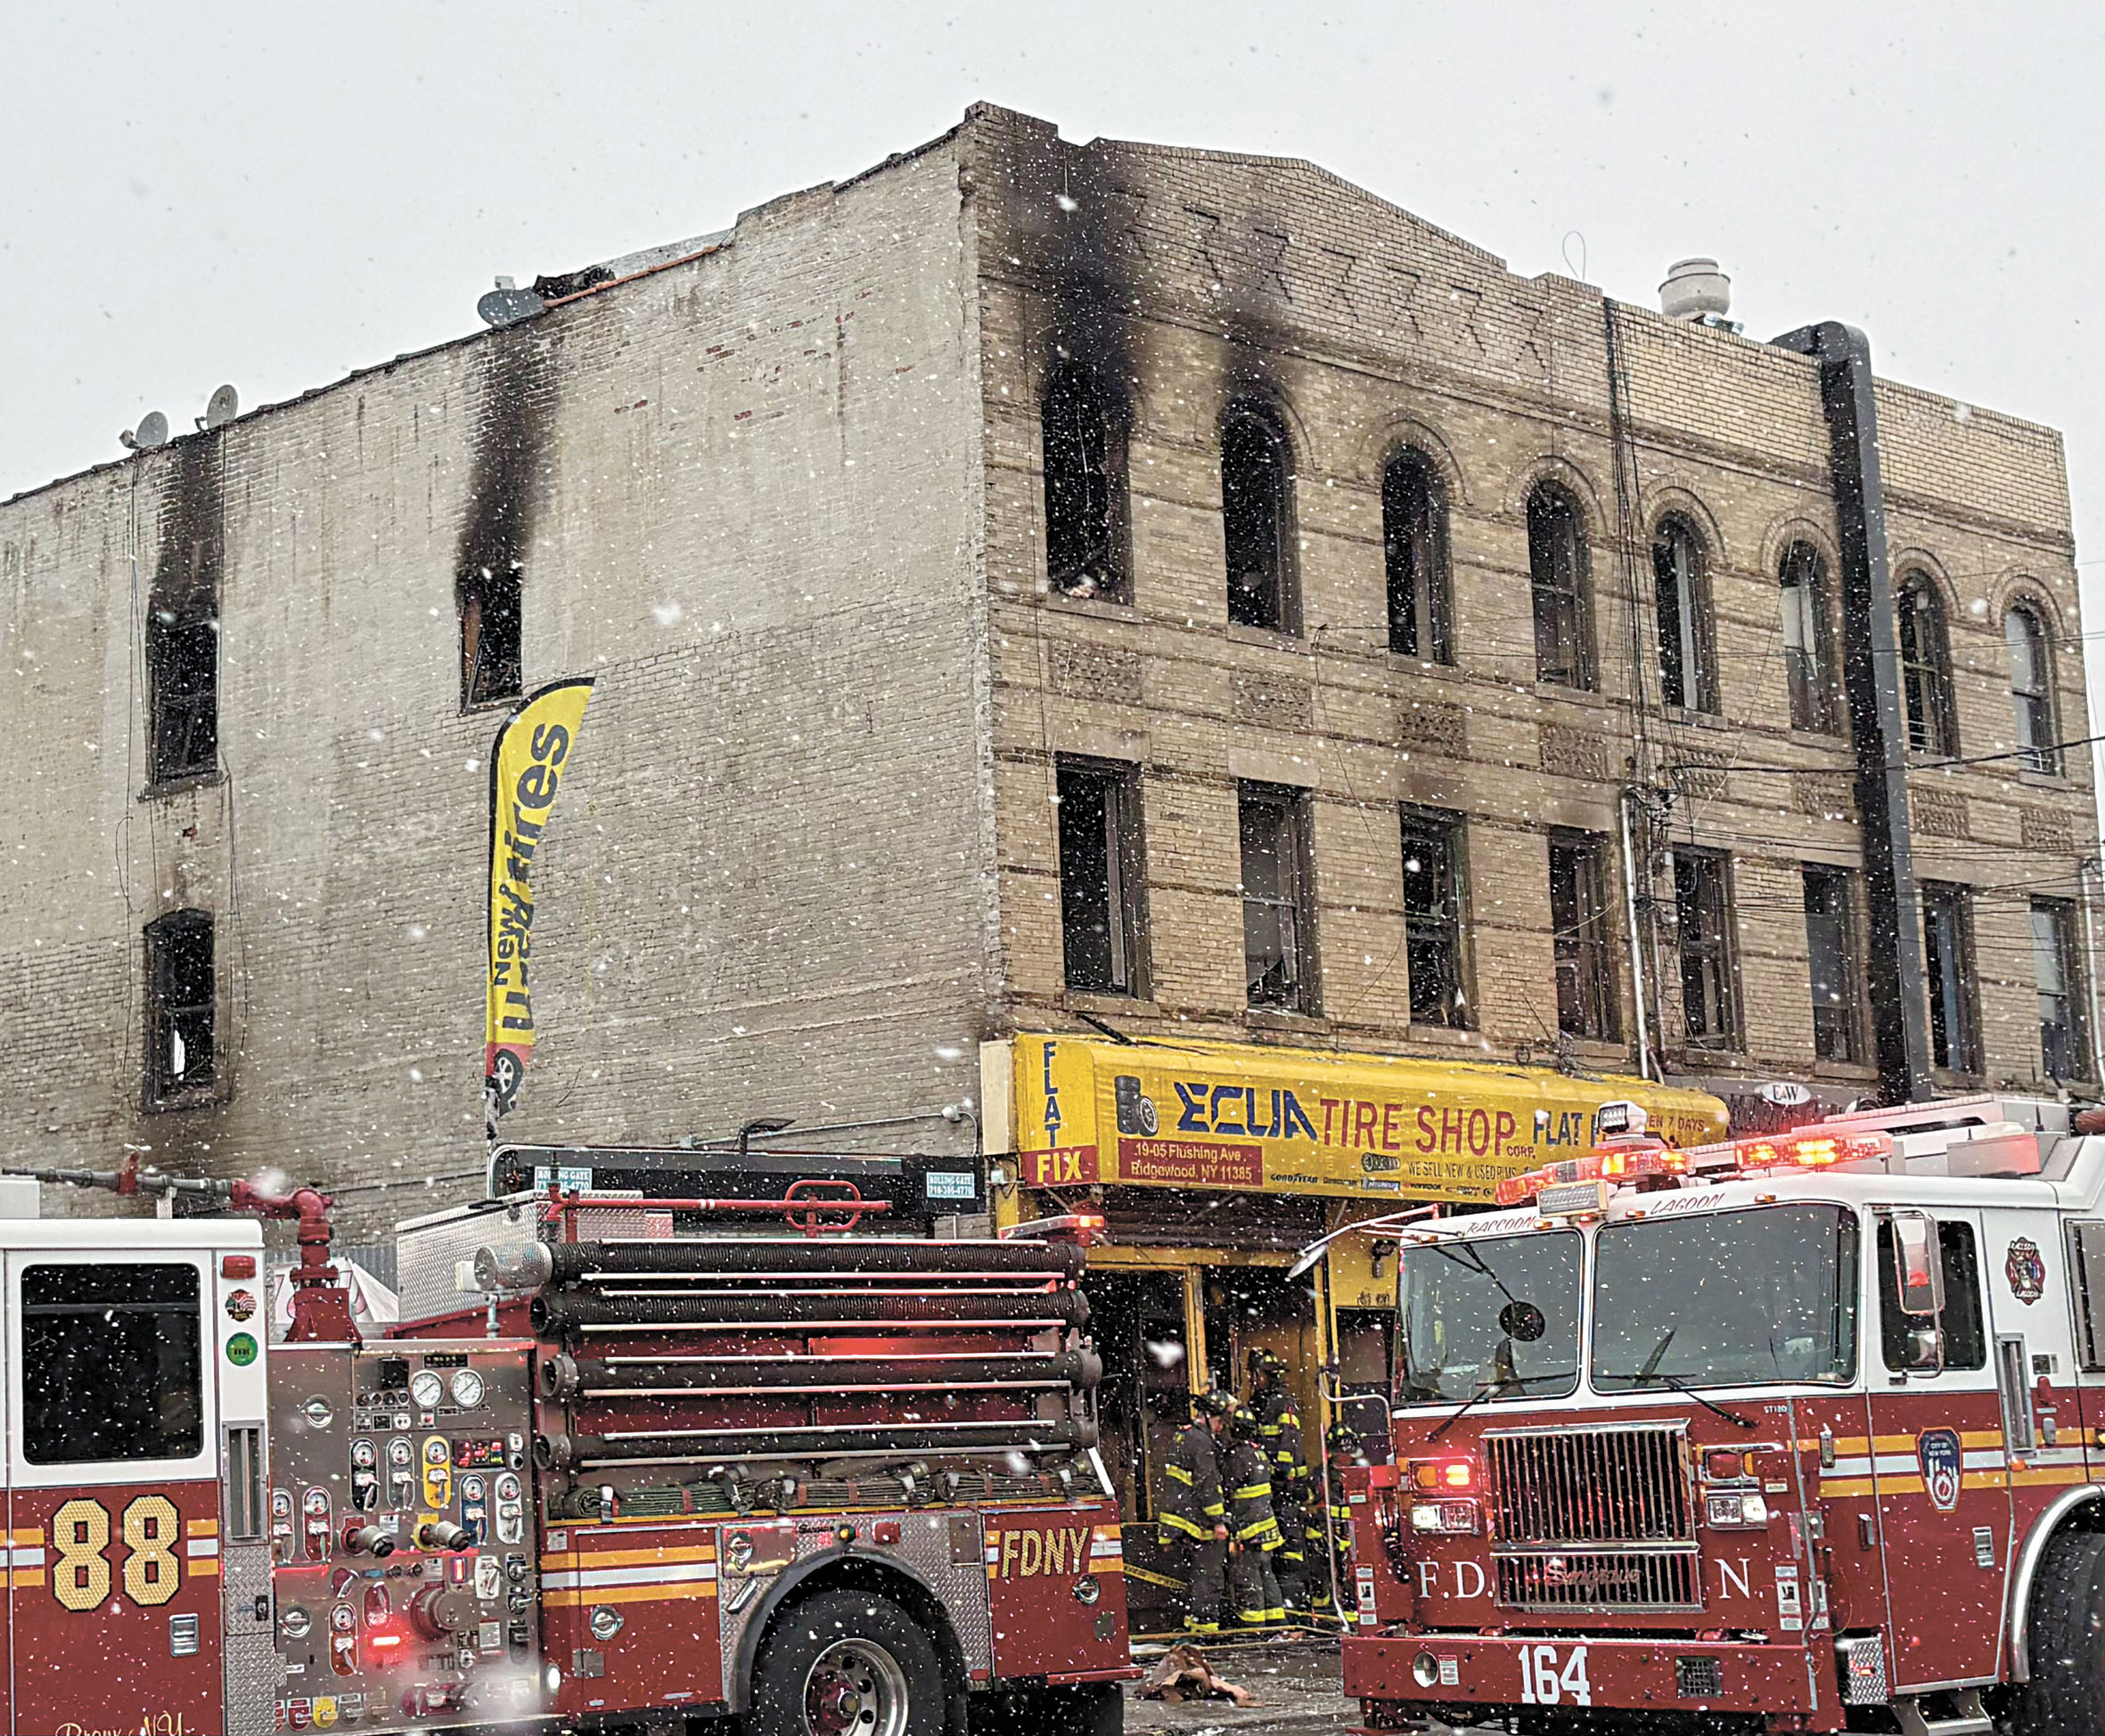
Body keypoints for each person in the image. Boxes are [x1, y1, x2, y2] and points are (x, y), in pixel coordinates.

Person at [1156, 1388, 1232, 1634]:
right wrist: (1219, 1521)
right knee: (1209, 1576)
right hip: (1195, 1519)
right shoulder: (1201, 1442)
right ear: (1209, 1416)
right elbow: (1207, 1484)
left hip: (1179, 1519)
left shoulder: (1183, 1436)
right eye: (1220, 1421)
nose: (1220, 1428)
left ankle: (1193, 1627)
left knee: (1197, 1576)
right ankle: (1206, 1631)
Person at [1247, 1347, 1312, 1612]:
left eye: (1257, 1374)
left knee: (1289, 1547)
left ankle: (1295, 1607)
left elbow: (1289, 1441)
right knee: (1276, 1548)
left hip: (1285, 1487)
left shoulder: (1282, 1402)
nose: (1254, 1379)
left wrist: (1281, 1474)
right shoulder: (1258, 1402)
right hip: (1270, 1487)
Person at [1224, 1404, 1285, 1626]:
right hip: (1266, 1526)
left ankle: (1254, 1627)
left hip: (1249, 1528)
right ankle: (1277, 1622)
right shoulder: (1259, 1453)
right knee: (1266, 1573)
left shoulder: (1236, 1457)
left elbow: (1226, 1489)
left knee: (1248, 1577)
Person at [1310, 1417, 1367, 1618]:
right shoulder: (1322, 1473)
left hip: (1355, 1533)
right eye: (1338, 1454)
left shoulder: (1362, 1471)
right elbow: (1313, 1500)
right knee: (1324, 1574)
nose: (1342, 1458)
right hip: (1329, 1532)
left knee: (1356, 1573)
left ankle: (1356, 1614)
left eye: (1345, 1453)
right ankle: (1328, 1616)